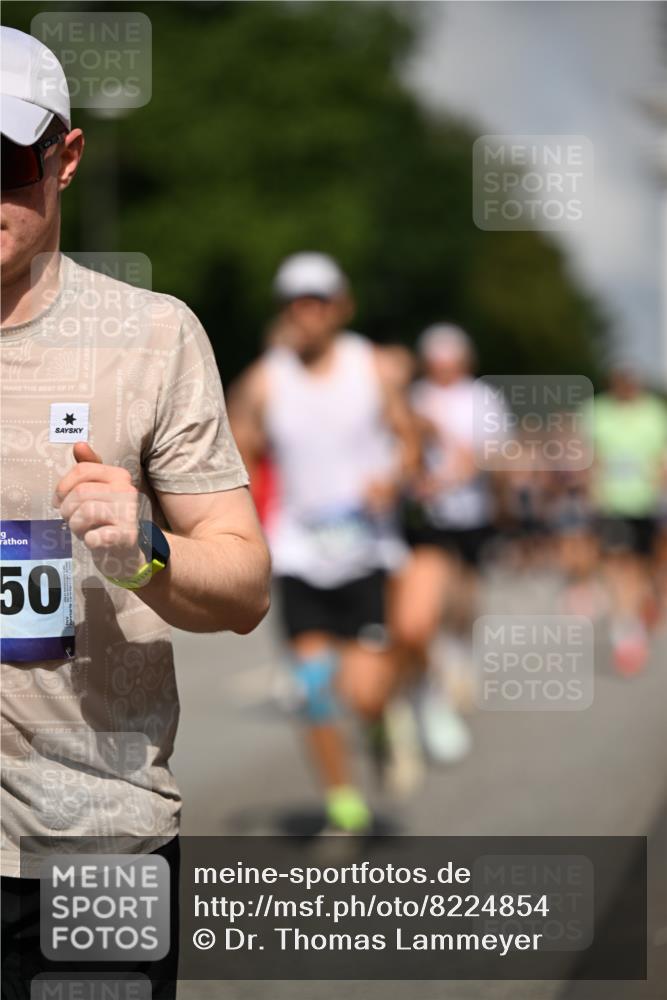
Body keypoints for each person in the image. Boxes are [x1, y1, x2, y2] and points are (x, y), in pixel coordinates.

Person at [0, 27, 271, 998]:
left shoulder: (152, 339)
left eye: (6, 160)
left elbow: (242, 586)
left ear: (65, 157)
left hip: (97, 842)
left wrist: (148, 549)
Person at [229, 251, 418, 831]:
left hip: (365, 553)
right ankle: (345, 803)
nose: (305, 312)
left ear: (341, 306)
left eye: (316, 300)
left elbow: (409, 441)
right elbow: (233, 456)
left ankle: (381, 721)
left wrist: (394, 478)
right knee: (312, 690)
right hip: (300, 554)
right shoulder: (264, 379)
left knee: (363, 693)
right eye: (294, 301)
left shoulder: (373, 367)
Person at [392, 324, 503, 759]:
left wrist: (454, 476)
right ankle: (436, 663)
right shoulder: (416, 397)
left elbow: (492, 450)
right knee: (429, 597)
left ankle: (458, 648)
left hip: (470, 510)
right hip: (426, 516)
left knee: (465, 589)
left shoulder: (482, 398)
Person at [585, 367, 667, 674]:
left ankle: (644, 604)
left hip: (647, 504)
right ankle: (627, 635)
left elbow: (662, 459)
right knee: (619, 564)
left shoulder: (655, 414)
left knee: (645, 567)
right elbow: (589, 455)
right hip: (611, 504)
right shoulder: (597, 412)